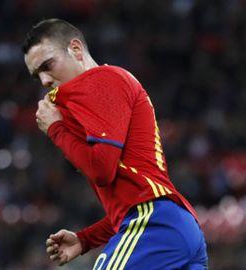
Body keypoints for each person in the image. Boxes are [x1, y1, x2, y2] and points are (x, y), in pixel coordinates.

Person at [22, 19, 208, 269]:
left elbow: (101, 170)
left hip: (156, 224)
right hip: (171, 227)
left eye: (48, 65)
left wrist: (56, 129)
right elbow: (129, 201)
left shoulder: (103, 80)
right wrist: (85, 239)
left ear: (76, 50)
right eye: (37, 76)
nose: (44, 80)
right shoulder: (108, 90)